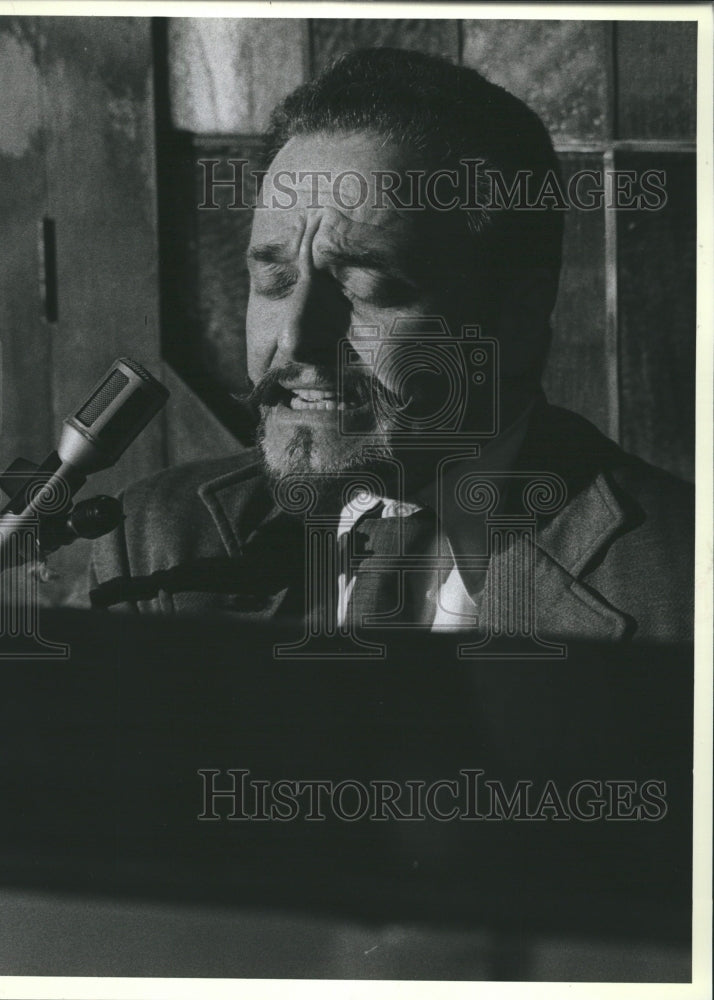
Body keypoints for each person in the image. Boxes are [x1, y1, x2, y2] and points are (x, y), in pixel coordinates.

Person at [84, 48, 693, 644]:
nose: (296, 339)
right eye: (274, 282)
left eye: (366, 289)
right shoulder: (155, 541)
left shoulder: (682, 586)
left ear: (519, 310)